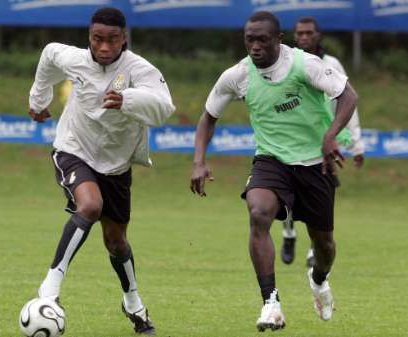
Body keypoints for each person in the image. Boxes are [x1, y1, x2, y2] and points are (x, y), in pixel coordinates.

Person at [190, 11, 358, 332]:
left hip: (314, 163)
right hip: (271, 160)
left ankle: (319, 280)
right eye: (249, 40)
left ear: (279, 39)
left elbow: (348, 96)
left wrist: (330, 134)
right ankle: (271, 303)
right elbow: (208, 117)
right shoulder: (237, 75)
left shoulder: (304, 64)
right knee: (258, 212)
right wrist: (199, 160)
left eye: (262, 40)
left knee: (325, 246)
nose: (254, 47)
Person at [27, 7, 175, 335]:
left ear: (124, 39)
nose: (104, 47)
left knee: (117, 241)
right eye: (97, 39)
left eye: (111, 40)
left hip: (116, 166)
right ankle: (49, 289)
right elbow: (50, 54)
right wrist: (39, 99)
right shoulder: (75, 59)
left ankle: (133, 302)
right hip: (73, 149)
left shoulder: (139, 69)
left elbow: (165, 107)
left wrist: (129, 100)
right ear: (89, 37)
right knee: (90, 206)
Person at [280, 16, 365, 267]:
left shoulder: (332, 64)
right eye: (300, 33)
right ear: (294, 36)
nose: (304, 37)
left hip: (323, 142)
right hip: (291, 138)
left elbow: (347, 101)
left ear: (318, 35)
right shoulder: (286, 62)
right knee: (284, 191)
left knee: (319, 196)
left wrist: (356, 144)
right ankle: (288, 233)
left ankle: (311, 249)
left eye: (309, 33)